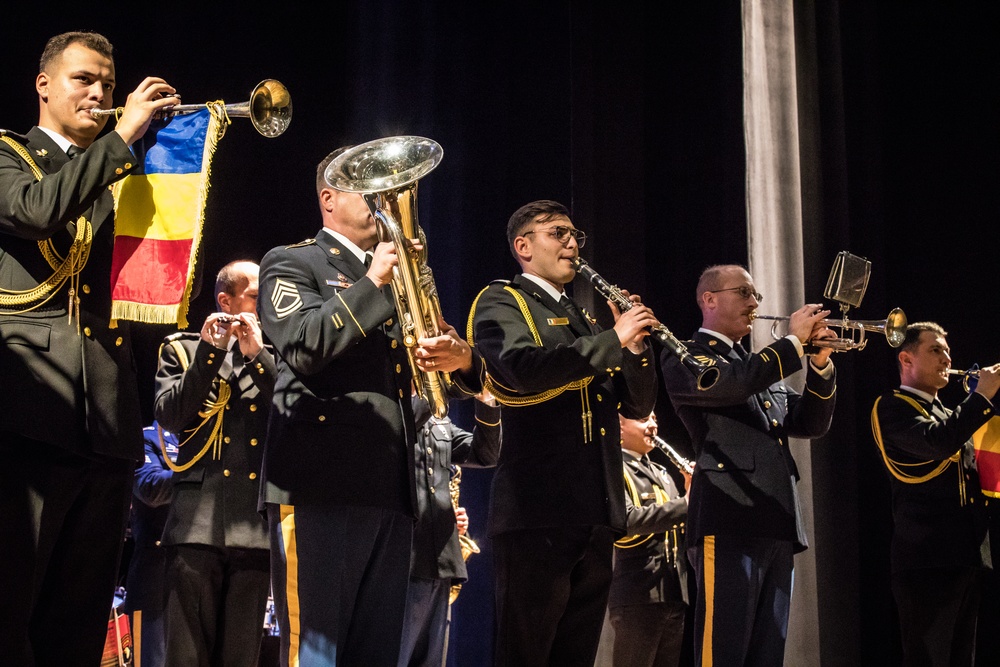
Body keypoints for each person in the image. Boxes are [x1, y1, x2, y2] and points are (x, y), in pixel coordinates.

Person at [257, 146, 484, 666]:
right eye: (367, 185)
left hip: (393, 490)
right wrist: (375, 280)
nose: (383, 196)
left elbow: (435, 383)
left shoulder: (400, 274)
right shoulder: (292, 261)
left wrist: (460, 359)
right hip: (318, 485)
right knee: (315, 653)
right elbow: (305, 344)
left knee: (376, 653)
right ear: (329, 198)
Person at [0, 31, 179, 665]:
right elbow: (32, 211)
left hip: (105, 421)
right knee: (12, 603)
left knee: (79, 620)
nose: (100, 93)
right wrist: (121, 138)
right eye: (84, 79)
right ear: (43, 85)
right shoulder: (9, 155)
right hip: (26, 410)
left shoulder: (117, 175)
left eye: (107, 82)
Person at [467, 199, 658, 665]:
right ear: (523, 246)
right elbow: (521, 370)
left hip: (595, 508)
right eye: (558, 233)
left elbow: (637, 405)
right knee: (525, 653)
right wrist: (613, 339)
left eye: (575, 235)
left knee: (575, 656)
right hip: (539, 508)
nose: (572, 243)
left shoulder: (585, 318)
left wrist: (633, 347)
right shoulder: (502, 299)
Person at [659, 263, 837, 666]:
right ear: (709, 300)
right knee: (722, 651)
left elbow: (808, 422)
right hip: (727, 520)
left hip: (774, 520)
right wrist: (792, 343)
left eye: (755, 295)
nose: (755, 303)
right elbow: (736, 383)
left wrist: (821, 366)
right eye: (744, 293)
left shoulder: (757, 365)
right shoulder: (686, 355)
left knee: (767, 654)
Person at [153, 260, 275, 666]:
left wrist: (258, 355)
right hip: (195, 525)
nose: (267, 303)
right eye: (257, 296)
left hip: (253, 529)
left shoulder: (274, 357)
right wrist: (210, 353)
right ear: (227, 300)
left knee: (241, 658)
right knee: (186, 656)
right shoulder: (184, 350)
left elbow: (295, 417)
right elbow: (170, 415)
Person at [870, 322, 1000, 666]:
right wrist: (982, 397)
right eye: (935, 350)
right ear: (906, 359)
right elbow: (937, 442)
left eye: (946, 350)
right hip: (926, 559)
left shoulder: (950, 413)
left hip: (965, 555)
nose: (947, 357)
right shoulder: (892, 406)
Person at [399, 389, 501, 667]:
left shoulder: (438, 421)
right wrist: (436, 386)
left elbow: (486, 453)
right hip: (402, 561)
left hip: (440, 563)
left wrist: (487, 401)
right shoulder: (392, 410)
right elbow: (403, 427)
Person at [602, 412, 691, 667]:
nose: (653, 424)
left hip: (673, 592)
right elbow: (627, 521)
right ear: (619, 428)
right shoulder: (614, 468)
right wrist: (686, 504)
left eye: (654, 418)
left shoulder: (663, 473)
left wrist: (694, 493)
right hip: (637, 594)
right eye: (643, 419)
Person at [122, 423, 178, 667]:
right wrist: (198, 473)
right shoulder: (147, 437)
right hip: (155, 580)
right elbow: (149, 489)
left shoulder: (205, 438)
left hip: (197, 574)